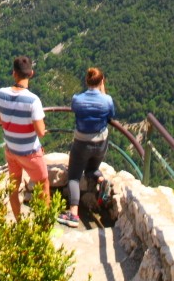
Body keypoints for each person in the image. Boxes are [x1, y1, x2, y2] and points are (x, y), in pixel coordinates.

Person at [58, 67, 115, 228]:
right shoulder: (107, 100)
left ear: (86, 81)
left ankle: (73, 213)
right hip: (100, 143)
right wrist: (103, 92)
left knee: (74, 176)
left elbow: (76, 111)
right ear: (101, 81)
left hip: (81, 143)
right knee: (91, 169)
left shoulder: (77, 99)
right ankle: (101, 180)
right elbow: (111, 115)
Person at [0, 55, 50, 220]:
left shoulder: (1, 94)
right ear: (31, 73)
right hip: (30, 153)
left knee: (13, 187)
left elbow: (0, 119)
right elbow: (40, 132)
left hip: (11, 151)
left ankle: (19, 223)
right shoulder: (33, 101)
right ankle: (44, 227)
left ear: (14, 73)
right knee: (43, 185)